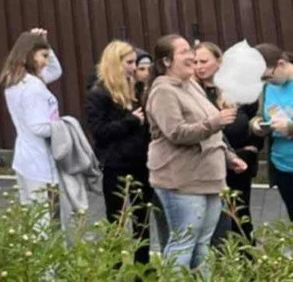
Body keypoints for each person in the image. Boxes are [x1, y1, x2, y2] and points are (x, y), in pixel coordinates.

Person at [146, 34, 247, 270]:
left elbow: (213, 132)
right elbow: (177, 133)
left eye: (189, 50)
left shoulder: (191, 85)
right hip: (182, 180)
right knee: (183, 242)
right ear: (167, 61)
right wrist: (215, 121)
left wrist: (229, 158)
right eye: (183, 52)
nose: (191, 56)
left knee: (203, 243)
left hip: (211, 177)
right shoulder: (163, 91)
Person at [87, 40, 152, 264]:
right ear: (116, 63)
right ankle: (113, 267)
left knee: (142, 219)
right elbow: (99, 131)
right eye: (130, 62)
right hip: (116, 165)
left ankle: (143, 268)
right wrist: (131, 121)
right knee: (115, 219)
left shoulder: (136, 89)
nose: (134, 67)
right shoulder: (99, 93)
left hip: (141, 163)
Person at [195, 41, 262, 244]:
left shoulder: (236, 90)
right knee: (214, 223)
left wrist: (253, 146)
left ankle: (247, 264)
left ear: (219, 62)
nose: (199, 66)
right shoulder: (194, 93)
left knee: (241, 216)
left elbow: (254, 121)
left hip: (239, 165)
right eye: (195, 61)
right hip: (209, 165)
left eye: (204, 61)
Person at [0, 28, 62, 222]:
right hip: (39, 159)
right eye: (43, 55)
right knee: (44, 219)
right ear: (30, 54)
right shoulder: (32, 86)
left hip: (25, 156)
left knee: (32, 215)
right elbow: (39, 127)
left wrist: (46, 44)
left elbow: (56, 71)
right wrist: (65, 127)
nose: (46, 60)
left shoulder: (15, 81)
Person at [251, 43, 293, 218]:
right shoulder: (268, 88)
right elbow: (260, 114)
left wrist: (290, 127)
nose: (267, 82)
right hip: (283, 166)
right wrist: (257, 124)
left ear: (281, 64)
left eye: (268, 76)